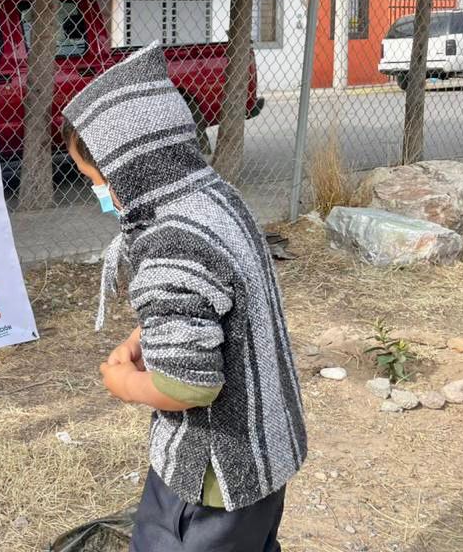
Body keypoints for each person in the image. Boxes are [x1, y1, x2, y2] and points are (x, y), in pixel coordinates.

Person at [60, 42, 307, 552]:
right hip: (267, 446)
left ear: (130, 168)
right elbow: (212, 302)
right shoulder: (215, 198)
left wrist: (123, 382)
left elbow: (189, 387)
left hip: (215, 474)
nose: (99, 194)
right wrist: (145, 333)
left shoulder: (171, 243)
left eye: (97, 181)